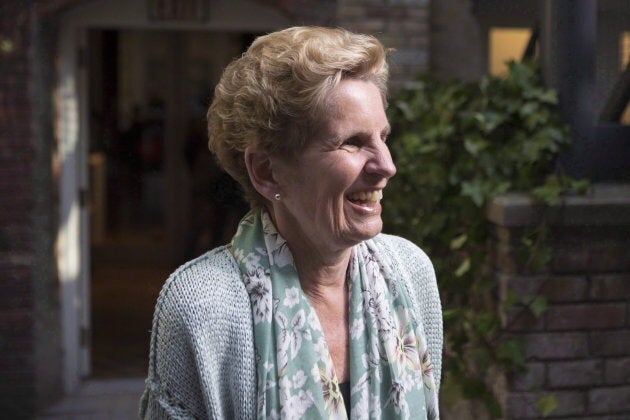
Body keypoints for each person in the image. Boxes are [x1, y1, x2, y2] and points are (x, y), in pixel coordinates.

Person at [140, 26, 442, 419]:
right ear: (266, 171)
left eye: (383, 136)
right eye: (352, 142)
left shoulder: (410, 272)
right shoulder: (201, 305)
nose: (387, 166)